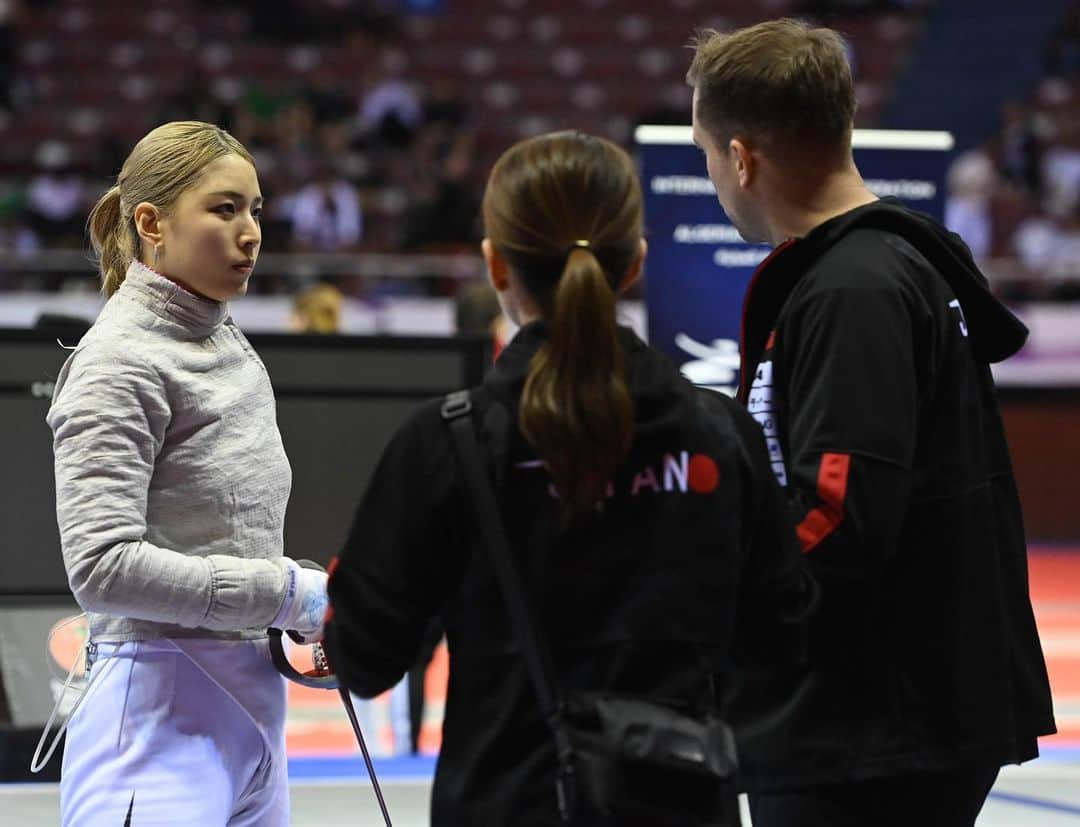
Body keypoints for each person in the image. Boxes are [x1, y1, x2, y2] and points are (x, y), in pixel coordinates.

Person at [325, 130, 815, 825]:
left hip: (505, 800)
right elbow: (782, 639)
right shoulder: (719, 433)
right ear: (635, 263)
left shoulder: (448, 442)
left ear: (496, 265)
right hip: (680, 802)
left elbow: (364, 655)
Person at [686, 19, 1056, 827]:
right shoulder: (883, 265)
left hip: (872, 723)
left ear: (742, 158)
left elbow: (840, 517)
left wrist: (711, 602)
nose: (715, 177)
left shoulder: (856, 289)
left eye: (708, 156)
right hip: (887, 709)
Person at [46, 121, 327, 826]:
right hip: (151, 732)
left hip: (254, 720)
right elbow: (103, 567)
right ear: (152, 223)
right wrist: (287, 592)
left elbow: (230, 536)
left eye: (256, 210)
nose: (251, 231)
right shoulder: (117, 360)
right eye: (224, 209)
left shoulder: (230, 342)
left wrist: (296, 611)